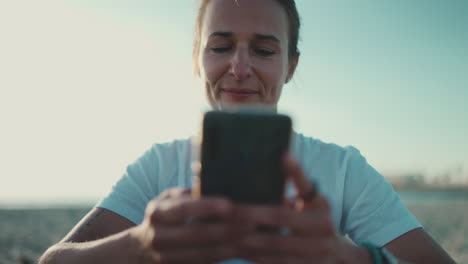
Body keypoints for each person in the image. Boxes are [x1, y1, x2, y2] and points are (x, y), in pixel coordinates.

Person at [39, 0, 456, 263]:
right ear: (196, 58)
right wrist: (140, 246)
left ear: (291, 65)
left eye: (263, 49)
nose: (240, 67)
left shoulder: (343, 168)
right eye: (220, 46)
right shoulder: (158, 165)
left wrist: (345, 257)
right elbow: (55, 260)